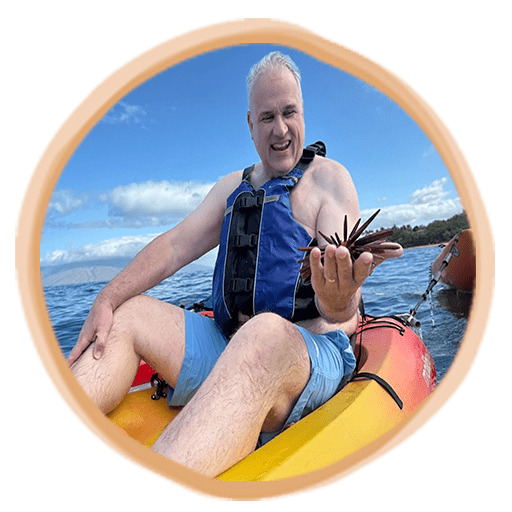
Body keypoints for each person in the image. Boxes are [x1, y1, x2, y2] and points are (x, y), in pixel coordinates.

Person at [68, 51, 403, 477]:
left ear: (303, 114)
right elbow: (173, 246)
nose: (280, 129)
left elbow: (341, 302)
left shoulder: (329, 179)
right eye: (267, 117)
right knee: (126, 313)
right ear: (250, 125)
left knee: (262, 332)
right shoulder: (232, 188)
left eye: (289, 113)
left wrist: (339, 299)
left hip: (308, 352)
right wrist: (106, 297)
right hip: (227, 342)